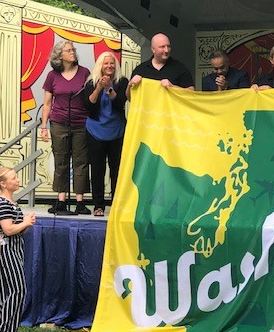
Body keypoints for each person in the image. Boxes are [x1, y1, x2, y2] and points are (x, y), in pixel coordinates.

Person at [0, 167, 36, 332]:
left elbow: (15, 229)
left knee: (0, 293)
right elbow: (8, 229)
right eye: (14, 178)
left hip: (12, 247)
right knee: (16, 290)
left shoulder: (10, 202)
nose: (18, 179)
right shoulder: (3, 203)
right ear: (4, 184)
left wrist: (26, 224)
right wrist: (25, 223)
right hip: (6, 251)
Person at [41, 41, 91, 215]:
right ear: (59, 55)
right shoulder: (52, 76)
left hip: (81, 123)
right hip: (59, 122)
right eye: (68, 50)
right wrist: (43, 127)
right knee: (60, 161)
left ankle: (80, 201)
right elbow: (47, 104)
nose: (72, 52)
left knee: (81, 161)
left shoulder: (84, 72)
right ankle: (61, 200)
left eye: (73, 50)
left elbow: (91, 97)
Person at [81, 52, 128, 217]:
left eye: (112, 63)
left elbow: (120, 103)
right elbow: (89, 105)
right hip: (95, 131)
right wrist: (100, 87)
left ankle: (116, 205)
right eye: (106, 63)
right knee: (97, 169)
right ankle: (98, 205)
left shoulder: (122, 82)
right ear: (100, 65)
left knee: (117, 169)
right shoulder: (91, 82)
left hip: (117, 131)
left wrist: (109, 88)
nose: (109, 66)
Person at [126, 33, 194, 98]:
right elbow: (130, 98)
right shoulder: (141, 70)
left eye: (168, 46)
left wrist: (172, 87)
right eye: (162, 47)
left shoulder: (180, 68)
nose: (166, 50)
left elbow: (191, 93)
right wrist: (130, 84)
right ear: (153, 49)